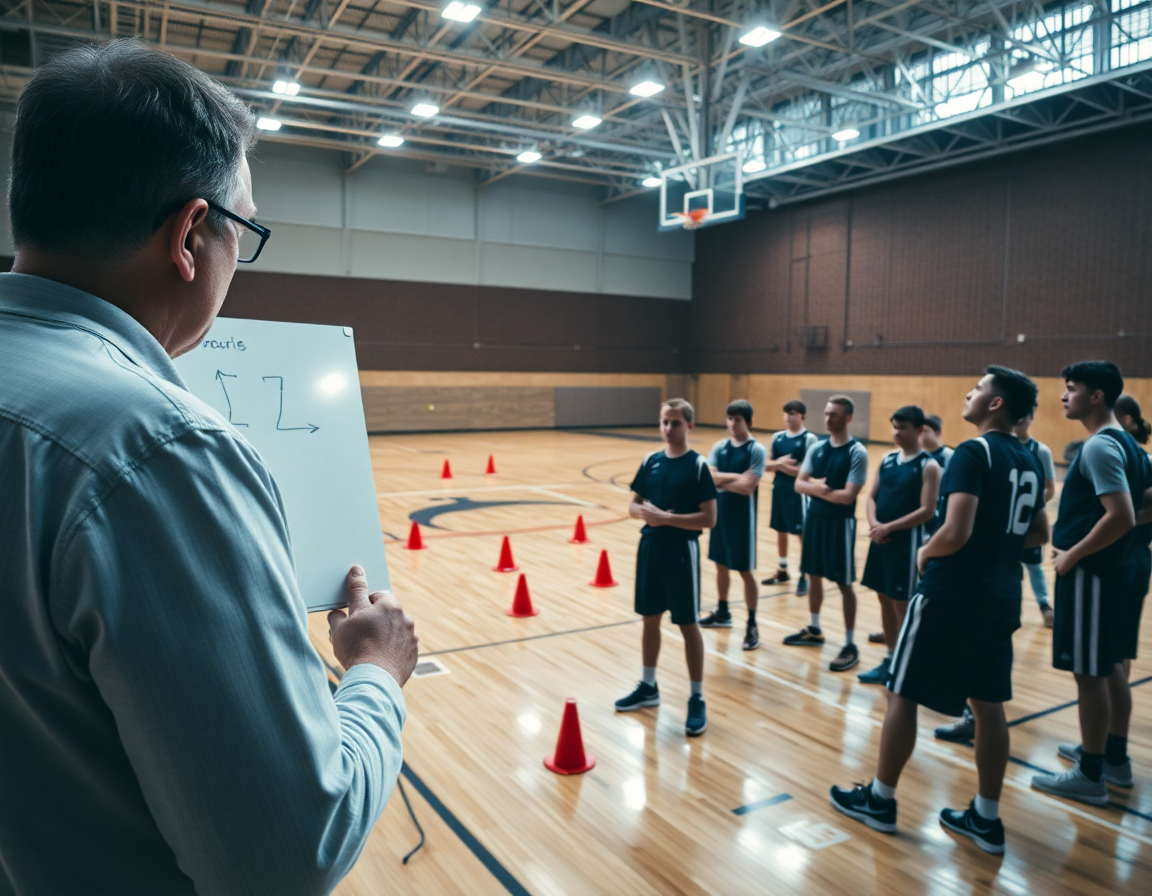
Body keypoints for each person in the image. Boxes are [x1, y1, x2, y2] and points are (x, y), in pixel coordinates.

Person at [0, 41, 419, 895]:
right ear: (191, 233)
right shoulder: (156, 449)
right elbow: (285, 854)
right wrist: (376, 673)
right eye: (245, 229)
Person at [831, 367, 1048, 856]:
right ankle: (985, 818)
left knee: (900, 689)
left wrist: (927, 554)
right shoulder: (1031, 459)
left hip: (953, 591)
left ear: (995, 404)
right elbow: (1038, 534)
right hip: (1001, 593)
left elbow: (956, 530)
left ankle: (881, 800)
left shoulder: (974, 451)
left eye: (978, 389)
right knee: (989, 704)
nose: (969, 393)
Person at [1032, 363, 1149, 805]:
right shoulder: (1127, 444)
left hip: (1091, 574)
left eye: (1071, 389)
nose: (1064, 396)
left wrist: (1072, 554)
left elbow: (1120, 515)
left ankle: (1091, 773)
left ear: (1096, 396)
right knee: (1111, 665)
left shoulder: (1100, 446)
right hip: (1114, 570)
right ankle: (1113, 758)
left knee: (1090, 672)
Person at [615, 399, 718, 736]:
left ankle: (697, 697)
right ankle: (648, 687)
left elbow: (710, 518)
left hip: (681, 551)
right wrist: (646, 514)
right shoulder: (651, 461)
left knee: (688, 624)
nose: (668, 429)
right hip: (650, 547)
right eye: (664, 422)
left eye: (675, 423)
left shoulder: (698, 465)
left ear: (690, 425)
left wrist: (668, 518)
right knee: (650, 618)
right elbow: (632, 505)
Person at [784, 396, 869, 672]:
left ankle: (849, 643)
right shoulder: (817, 448)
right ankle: (815, 628)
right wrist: (818, 489)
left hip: (840, 524)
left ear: (848, 418)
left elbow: (848, 497)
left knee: (844, 583)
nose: (828, 419)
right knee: (814, 575)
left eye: (834, 415)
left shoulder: (857, 452)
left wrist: (819, 490)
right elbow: (798, 484)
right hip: (815, 521)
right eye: (827, 413)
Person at [857, 406, 940, 685]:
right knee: (883, 597)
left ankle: (910, 664)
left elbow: (927, 511)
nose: (896, 432)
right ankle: (891, 659)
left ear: (918, 431)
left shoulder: (928, 465)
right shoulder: (887, 459)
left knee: (902, 605)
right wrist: (874, 524)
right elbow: (872, 497)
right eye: (894, 426)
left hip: (906, 545)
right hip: (881, 541)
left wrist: (889, 527)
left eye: (902, 427)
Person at [700, 400, 768, 650]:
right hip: (720, 517)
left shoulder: (756, 450)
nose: (732, 424)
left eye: (737, 420)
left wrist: (723, 481)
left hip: (743, 522)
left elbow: (748, 488)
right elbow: (709, 477)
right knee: (721, 566)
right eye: (729, 419)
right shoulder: (719, 447)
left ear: (748, 422)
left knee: (744, 571)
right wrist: (736, 477)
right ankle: (723, 612)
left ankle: (752, 623)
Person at [761, 400, 819, 596]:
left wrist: (780, 466)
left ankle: (806, 573)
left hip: (799, 494)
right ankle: (783, 570)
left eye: (792, 413)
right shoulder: (777, 437)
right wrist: (780, 464)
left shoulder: (809, 438)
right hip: (779, 489)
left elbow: (805, 472)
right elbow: (765, 466)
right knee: (780, 529)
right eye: (786, 413)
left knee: (802, 533)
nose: (788, 417)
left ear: (801, 415)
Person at [1013, 413, 1057, 627]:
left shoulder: (1040, 450)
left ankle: (1044, 604)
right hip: (1005, 520)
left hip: (1030, 520)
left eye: (1025, 416)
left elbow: (1050, 488)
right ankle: (1010, 608)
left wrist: (1033, 507)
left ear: (1031, 418)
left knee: (1033, 564)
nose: (1020, 421)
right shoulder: (1003, 446)